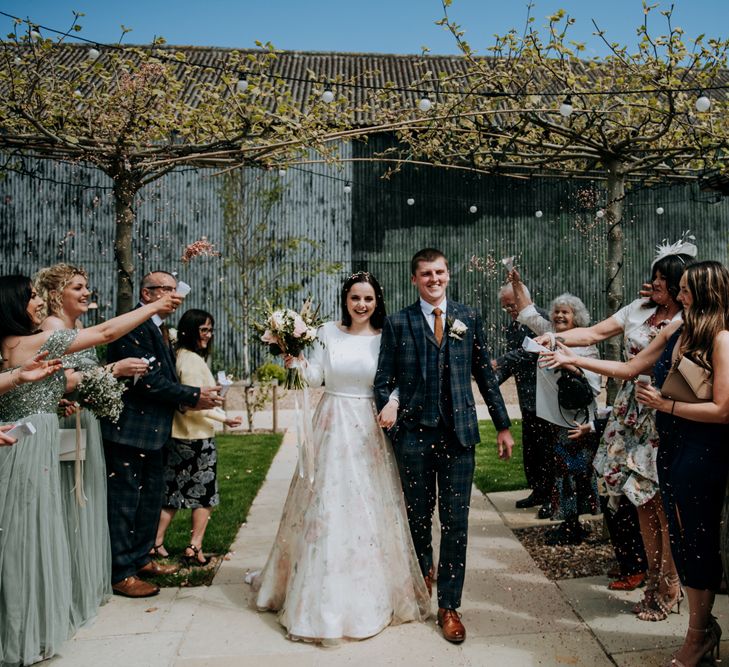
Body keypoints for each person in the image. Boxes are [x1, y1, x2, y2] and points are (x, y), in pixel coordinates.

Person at [541, 260, 729, 667]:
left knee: (695, 538)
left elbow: (723, 409)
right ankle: (696, 621)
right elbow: (629, 368)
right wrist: (573, 357)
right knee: (679, 535)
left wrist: (666, 404)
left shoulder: (721, 338)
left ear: (703, 293)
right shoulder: (678, 329)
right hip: (671, 443)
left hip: (702, 448)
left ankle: (697, 630)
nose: (678, 296)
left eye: (685, 290)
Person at [0, 274, 179, 666]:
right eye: (30, 297)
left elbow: (55, 381)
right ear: (13, 305)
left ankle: (35, 627)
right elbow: (106, 332)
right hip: (25, 451)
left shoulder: (16, 345)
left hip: (37, 442)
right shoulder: (27, 342)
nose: (37, 303)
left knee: (34, 537)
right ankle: (18, 635)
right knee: (24, 542)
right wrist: (152, 307)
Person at [254, 272, 430, 643]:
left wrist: (394, 403)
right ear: (345, 300)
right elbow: (317, 377)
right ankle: (316, 599)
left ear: (377, 301)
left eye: (368, 298)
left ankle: (370, 595)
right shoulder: (327, 334)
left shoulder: (388, 335)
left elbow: (401, 377)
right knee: (326, 505)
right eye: (355, 298)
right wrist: (296, 362)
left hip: (369, 426)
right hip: (332, 423)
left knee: (367, 505)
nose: (362, 305)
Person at [536, 243, 693, 610]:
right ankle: (652, 577)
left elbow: (635, 366)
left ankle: (672, 582)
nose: (652, 285)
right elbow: (591, 334)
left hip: (663, 413)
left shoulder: (688, 320)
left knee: (660, 502)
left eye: (660, 280)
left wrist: (573, 357)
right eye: (652, 278)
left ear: (679, 285)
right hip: (629, 413)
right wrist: (556, 337)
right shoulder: (638, 310)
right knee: (636, 499)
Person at [374, 248, 514, 644]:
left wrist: (503, 425)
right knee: (418, 518)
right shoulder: (398, 322)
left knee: (456, 523)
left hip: (458, 437)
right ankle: (422, 579)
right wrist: (396, 426)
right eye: (425, 274)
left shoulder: (467, 317)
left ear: (448, 275)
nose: (433, 279)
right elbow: (382, 382)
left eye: (439, 272)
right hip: (414, 436)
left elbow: (485, 374)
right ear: (414, 278)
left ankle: (449, 605)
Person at [35, 263, 152, 627]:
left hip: (84, 420)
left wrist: (106, 385)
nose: (87, 293)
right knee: (65, 501)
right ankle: (62, 588)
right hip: (62, 424)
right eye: (78, 288)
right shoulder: (50, 328)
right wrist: (112, 371)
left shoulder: (77, 328)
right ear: (57, 294)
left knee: (82, 500)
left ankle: (79, 584)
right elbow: (56, 380)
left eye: (86, 287)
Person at [100, 271, 223, 598]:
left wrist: (193, 398)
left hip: (156, 433)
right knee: (125, 504)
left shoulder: (160, 329)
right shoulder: (131, 325)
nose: (173, 295)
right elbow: (149, 382)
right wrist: (193, 396)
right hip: (130, 432)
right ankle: (121, 572)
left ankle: (142, 559)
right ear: (147, 292)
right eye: (165, 289)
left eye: (174, 288)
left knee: (150, 501)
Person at [508, 267, 601, 545]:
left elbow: (594, 385)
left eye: (566, 312)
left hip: (575, 420)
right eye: (557, 311)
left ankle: (574, 525)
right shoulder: (548, 333)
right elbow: (526, 311)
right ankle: (567, 521)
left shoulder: (585, 343)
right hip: (551, 418)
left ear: (577, 318)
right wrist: (517, 283)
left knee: (574, 472)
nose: (559, 316)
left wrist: (569, 364)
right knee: (558, 470)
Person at [153, 309, 242, 566]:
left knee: (171, 494)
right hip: (196, 437)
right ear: (190, 331)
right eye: (203, 329)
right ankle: (194, 547)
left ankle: (155, 543)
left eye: (210, 330)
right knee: (204, 496)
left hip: (178, 435)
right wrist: (225, 418)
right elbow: (194, 402)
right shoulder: (191, 361)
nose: (208, 335)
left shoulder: (179, 356)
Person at [493, 281, 554, 517]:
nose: (509, 310)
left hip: (547, 395)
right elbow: (514, 365)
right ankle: (538, 490)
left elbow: (531, 350)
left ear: (522, 298)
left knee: (549, 449)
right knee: (532, 449)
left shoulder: (543, 320)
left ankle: (551, 496)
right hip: (527, 398)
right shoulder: (513, 328)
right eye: (505, 307)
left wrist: (501, 361)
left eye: (512, 304)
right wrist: (491, 380)